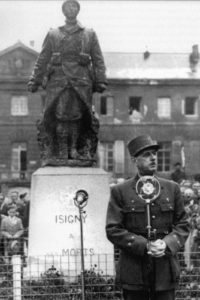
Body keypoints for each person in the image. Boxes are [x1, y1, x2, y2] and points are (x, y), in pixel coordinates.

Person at [106, 135, 189, 300]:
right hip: (134, 270)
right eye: (146, 154)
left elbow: (183, 225)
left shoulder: (172, 188)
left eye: (154, 154)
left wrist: (167, 243)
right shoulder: (121, 191)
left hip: (164, 269)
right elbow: (113, 229)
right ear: (134, 160)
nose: (153, 158)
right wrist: (144, 245)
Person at [28, 0, 107, 166]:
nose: (71, 9)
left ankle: (75, 149)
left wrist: (100, 80)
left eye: (74, 6)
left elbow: (98, 59)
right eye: (67, 7)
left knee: (79, 116)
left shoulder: (89, 34)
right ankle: (61, 150)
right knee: (59, 115)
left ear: (78, 10)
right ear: (63, 11)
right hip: (59, 80)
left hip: (81, 80)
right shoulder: (53, 34)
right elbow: (42, 58)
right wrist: (35, 80)